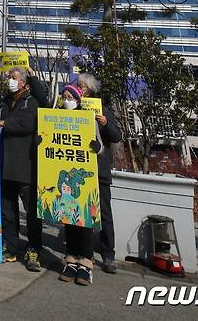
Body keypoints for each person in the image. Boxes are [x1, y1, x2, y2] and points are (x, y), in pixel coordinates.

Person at [56, 83, 102, 285]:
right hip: (63, 174)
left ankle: (86, 261)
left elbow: (100, 148)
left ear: (78, 100)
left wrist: (96, 146)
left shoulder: (87, 120)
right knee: (68, 218)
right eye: (64, 96)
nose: (67, 100)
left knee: (83, 221)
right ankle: (71, 258)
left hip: (83, 179)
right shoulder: (57, 118)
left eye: (70, 97)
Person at [77, 72, 122, 274]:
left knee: (104, 212)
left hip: (99, 169)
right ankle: (81, 251)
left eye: (83, 87)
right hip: (79, 170)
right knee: (79, 212)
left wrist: (105, 122)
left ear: (91, 91)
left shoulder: (102, 109)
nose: (80, 90)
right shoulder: (74, 108)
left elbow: (116, 136)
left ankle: (108, 253)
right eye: (78, 86)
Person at [0, 66, 41, 271]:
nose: (10, 81)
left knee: (31, 213)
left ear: (23, 82)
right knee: (8, 212)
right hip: (5, 165)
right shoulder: (4, 101)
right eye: (8, 78)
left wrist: (6, 123)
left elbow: (27, 124)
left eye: (13, 78)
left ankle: (34, 249)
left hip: (25, 166)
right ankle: (11, 247)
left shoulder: (31, 102)